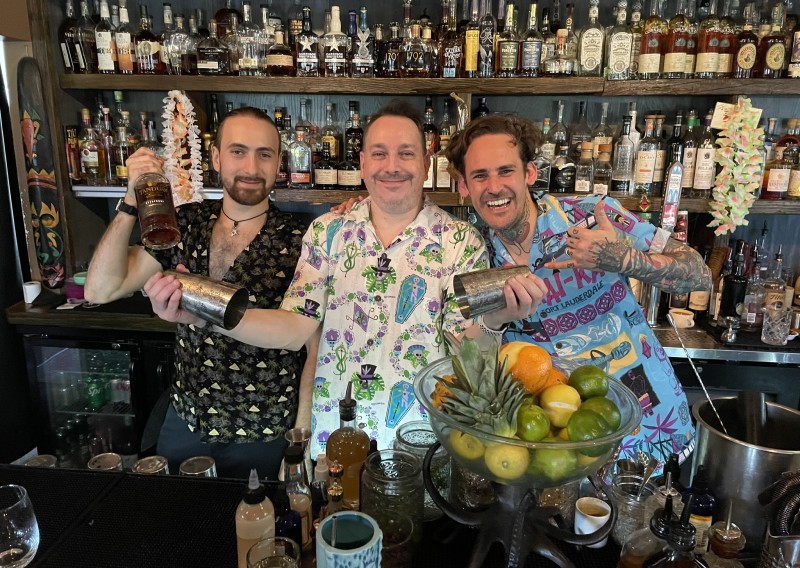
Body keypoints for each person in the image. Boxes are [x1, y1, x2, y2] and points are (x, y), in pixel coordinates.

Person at [142, 101, 547, 458]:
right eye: (379, 153)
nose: (392, 166)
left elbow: (467, 353)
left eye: (406, 153)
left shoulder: (461, 241)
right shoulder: (327, 231)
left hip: (422, 442)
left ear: (426, 165)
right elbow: (295, 328)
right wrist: (206, 314)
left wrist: (494, 320)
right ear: (363, 164)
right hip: (334, 438)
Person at [446, 114, 712, 467]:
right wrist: (495, 321)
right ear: (464, 187)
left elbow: (699, 274)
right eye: (480, 175)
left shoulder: (591, 215)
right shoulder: (472, 254)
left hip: (650, 427)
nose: (494, 187)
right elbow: (472, 360)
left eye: (505, 171)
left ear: (529, 173)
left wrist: (623, 258)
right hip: (558, 445)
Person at [84, 107, 316, 479]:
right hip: (186, 422)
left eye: (264, 154)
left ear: (279, 163)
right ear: (216, 158)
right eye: (238, 151)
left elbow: (301, 336)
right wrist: (130, 202)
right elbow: (100, 288)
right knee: (180, 515)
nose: (251, 167)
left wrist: (301, 439)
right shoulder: (185, 222)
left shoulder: (302, 238)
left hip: (263, 429)